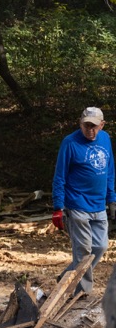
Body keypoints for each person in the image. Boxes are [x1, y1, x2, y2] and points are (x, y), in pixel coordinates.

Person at [51, 106, 116, 297]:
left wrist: (112, 199)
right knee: (83, 251)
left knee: (101, 246)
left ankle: (66, 279)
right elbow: (59, 176)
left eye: (94, 126)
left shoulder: (105, 139)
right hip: (77, 203)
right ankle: (82, 292)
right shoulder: (70, 143)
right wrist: (58, 207)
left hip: (98, 204)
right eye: (86, 125)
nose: (90, 130)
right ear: (80, 124)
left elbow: (109, 171)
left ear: (102, 125)